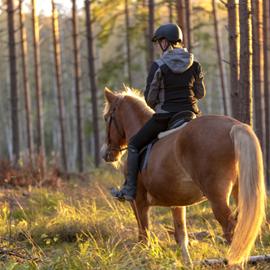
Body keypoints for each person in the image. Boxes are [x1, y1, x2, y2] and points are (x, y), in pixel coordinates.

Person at [111, 23, 206, 201]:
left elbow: (149, 99)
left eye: (160, 41)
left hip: (166, 117)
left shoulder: (159, 65)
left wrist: (160, 104)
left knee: (133, 145)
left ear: (166, 42)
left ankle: (130, 190)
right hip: (190, 115)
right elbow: (200, 93)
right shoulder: (195, 64)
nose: (158, 45)